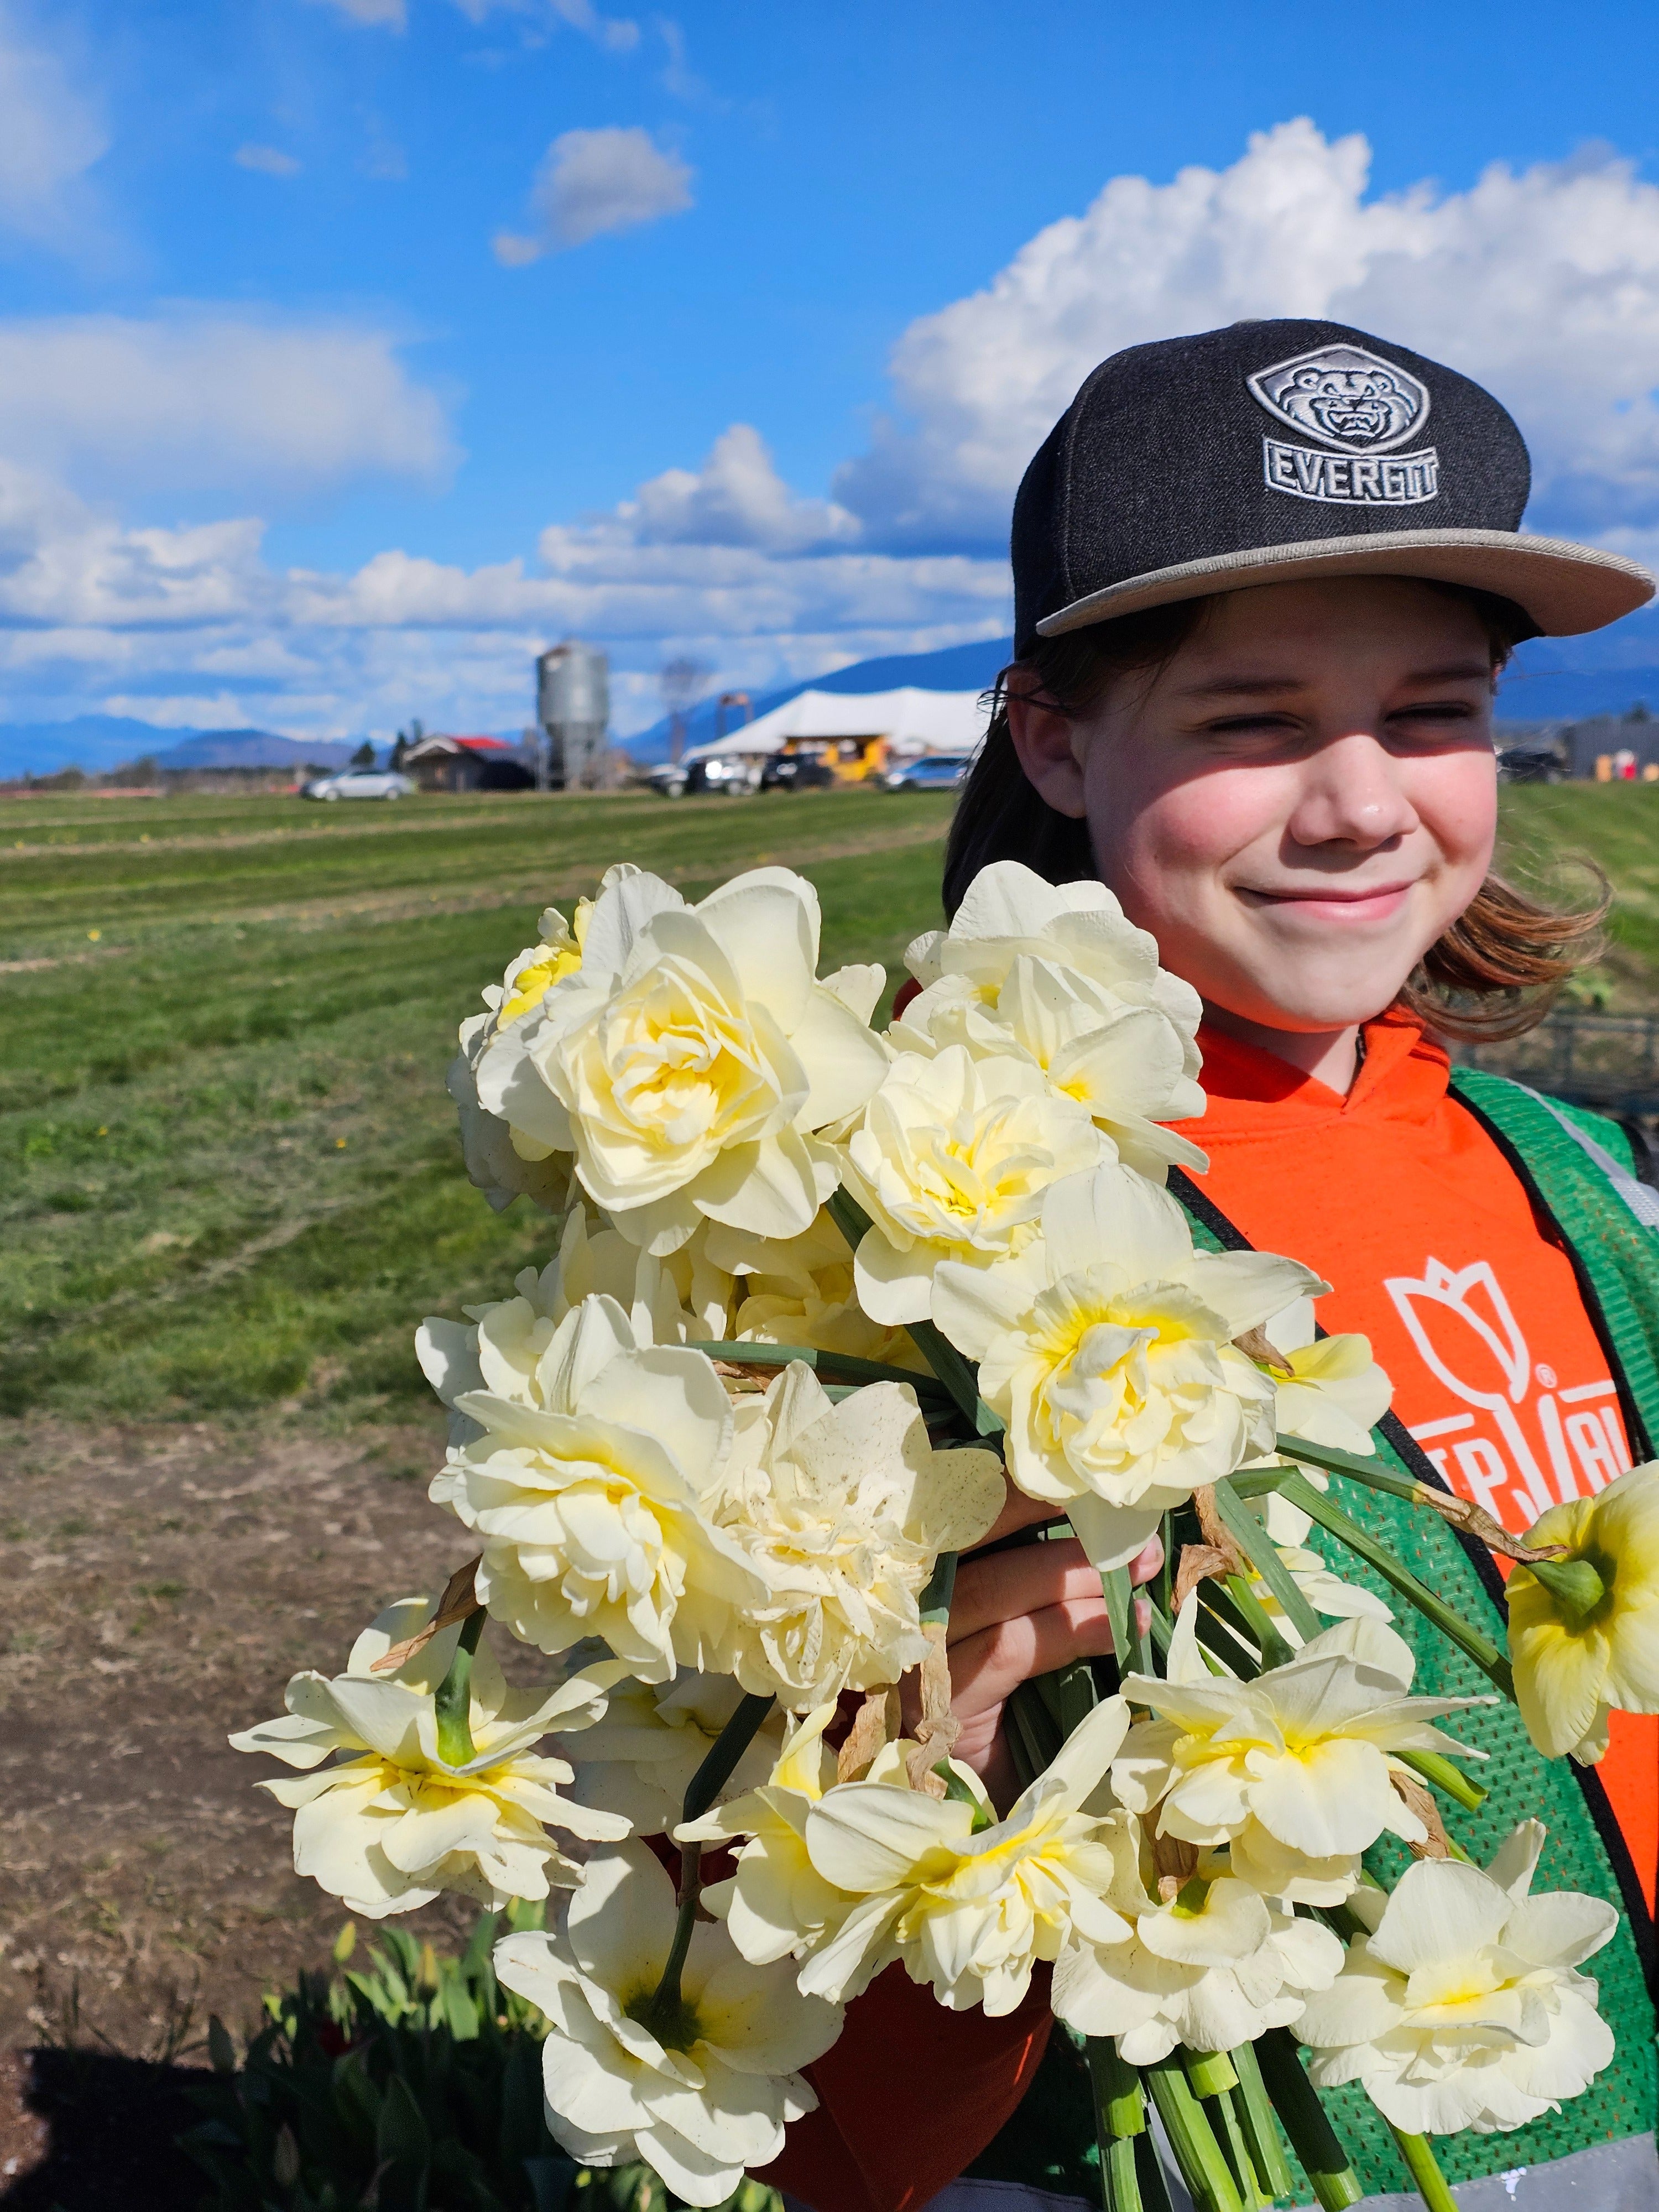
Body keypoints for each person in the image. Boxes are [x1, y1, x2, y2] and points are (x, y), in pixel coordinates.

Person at [758, 320, 1659, 2212]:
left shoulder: (1585, 1186)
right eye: (1252, 723)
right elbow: (835, 2139)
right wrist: (915, 1768)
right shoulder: (914, 1261)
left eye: (1432, 713)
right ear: (1058, 739)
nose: (1357, 805)